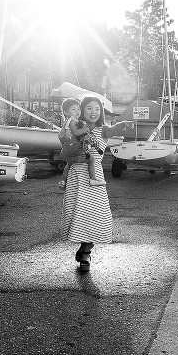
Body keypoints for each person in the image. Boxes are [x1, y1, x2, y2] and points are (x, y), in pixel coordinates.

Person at [61, 96, 133, 272]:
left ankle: (86, 251)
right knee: (77, 213)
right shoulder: (74, 127)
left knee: (96, 214)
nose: (94, 112)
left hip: (95, 177)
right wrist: (72, 157)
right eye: (89, 108)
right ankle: (83, 247)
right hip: (77, 174)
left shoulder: (103, 130)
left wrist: (123, 124)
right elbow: (63, 153)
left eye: (97, 109)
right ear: (81, 110)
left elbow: (114, 128)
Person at [57, 98, 83, 189]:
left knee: (69, 165)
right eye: (73, 109)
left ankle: (63, 181)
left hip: (68, 147)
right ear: (66, 112)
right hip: (73, 146)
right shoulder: (72, 120)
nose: (77, 111)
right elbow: (76, 133)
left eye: (78, 109)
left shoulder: (68, 120)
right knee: (90, 159)